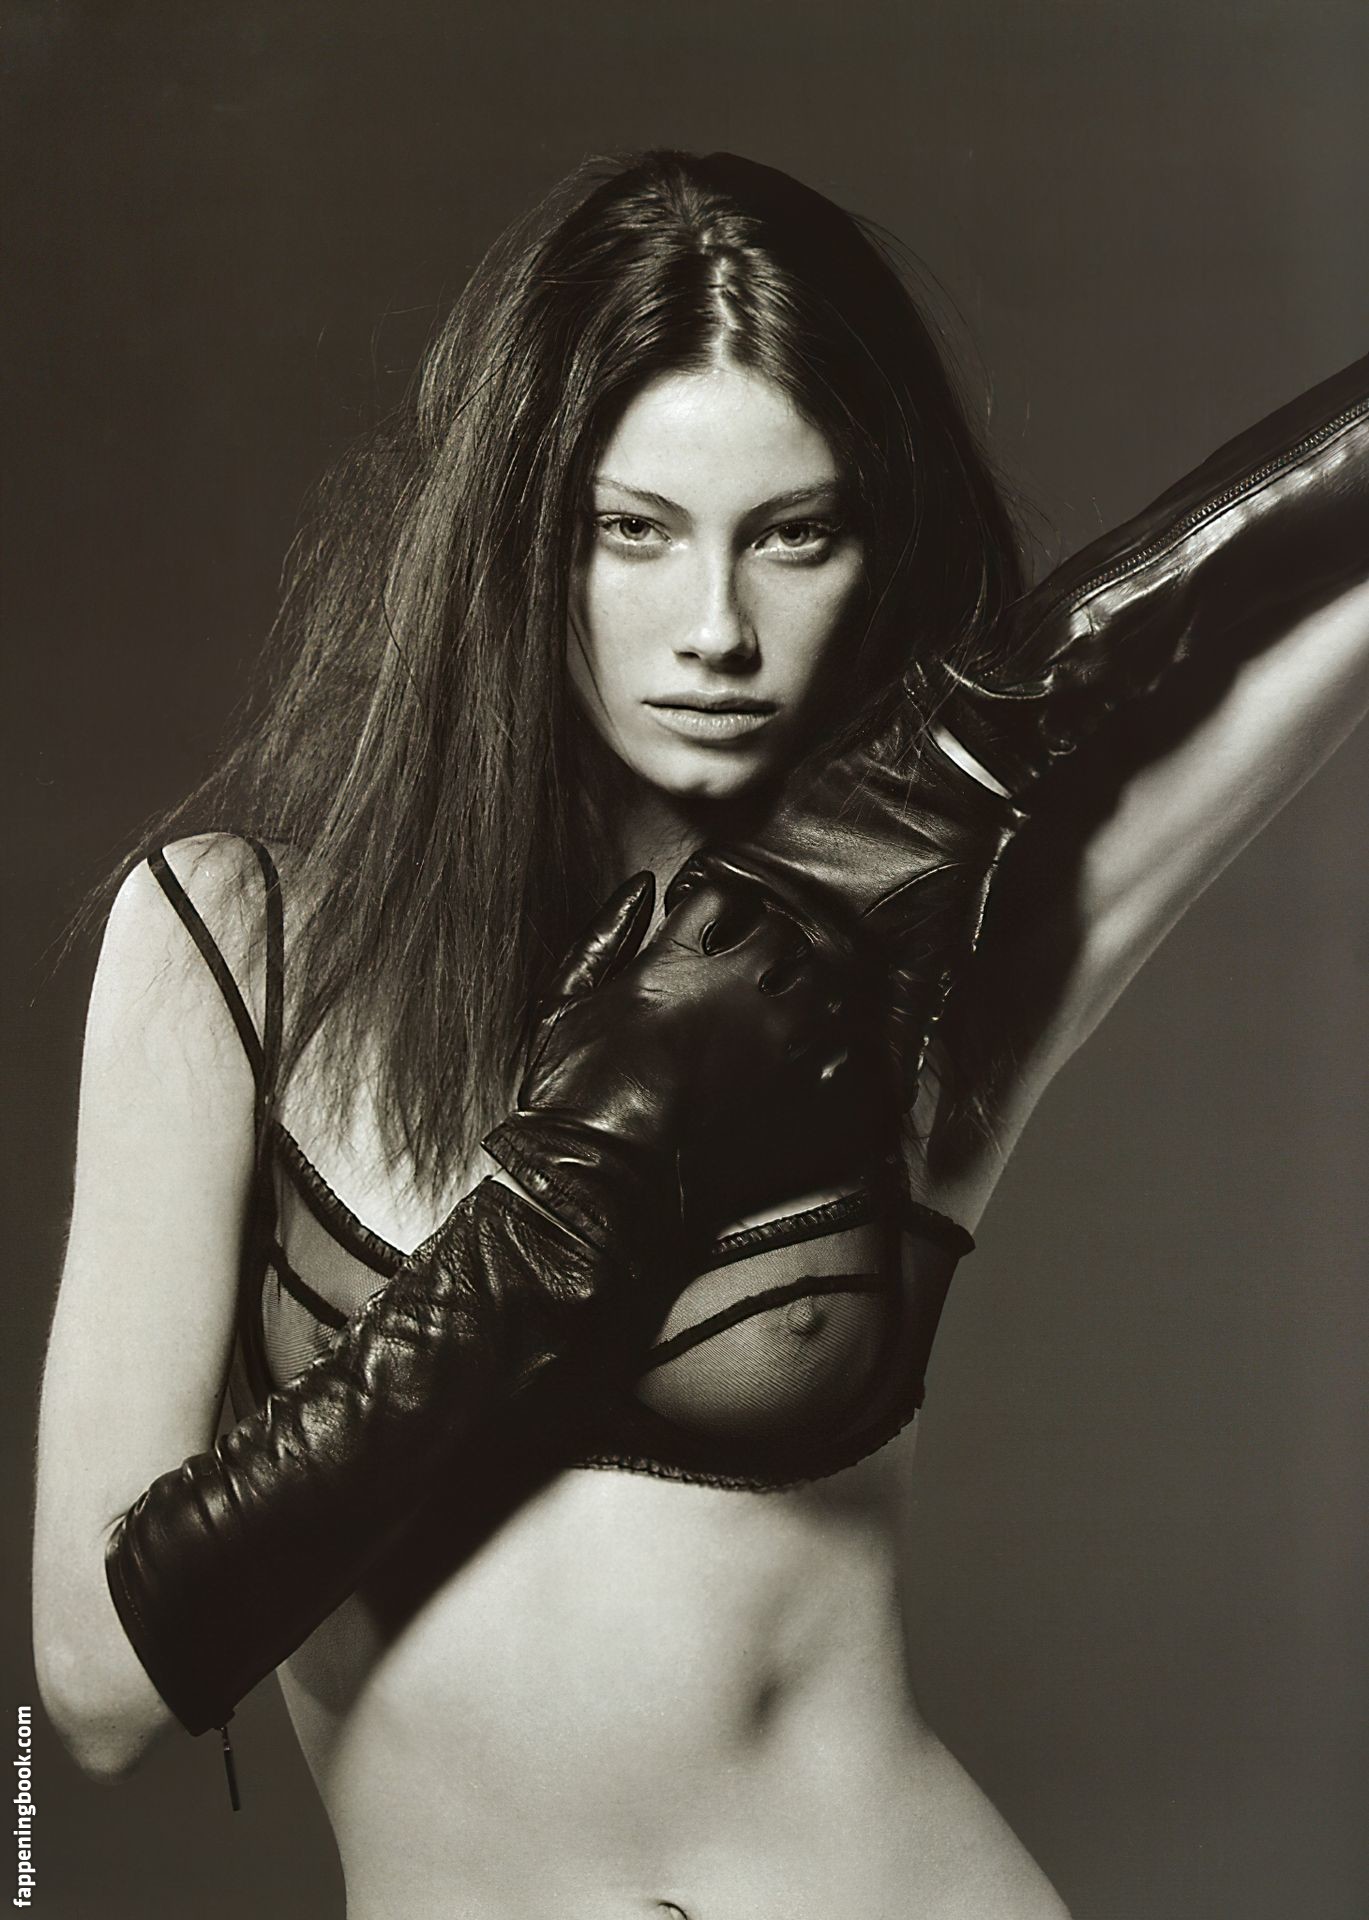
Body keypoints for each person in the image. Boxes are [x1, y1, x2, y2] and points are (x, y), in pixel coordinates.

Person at [31, 150, 1368, 1919]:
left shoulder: (929, 975)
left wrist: (1024, 695)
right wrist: (577, 1190)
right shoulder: (234, 946)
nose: (718, 630)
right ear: (517, 536)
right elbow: (98, 1686)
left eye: (792, 533)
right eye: (633, 530)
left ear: (874, 545)